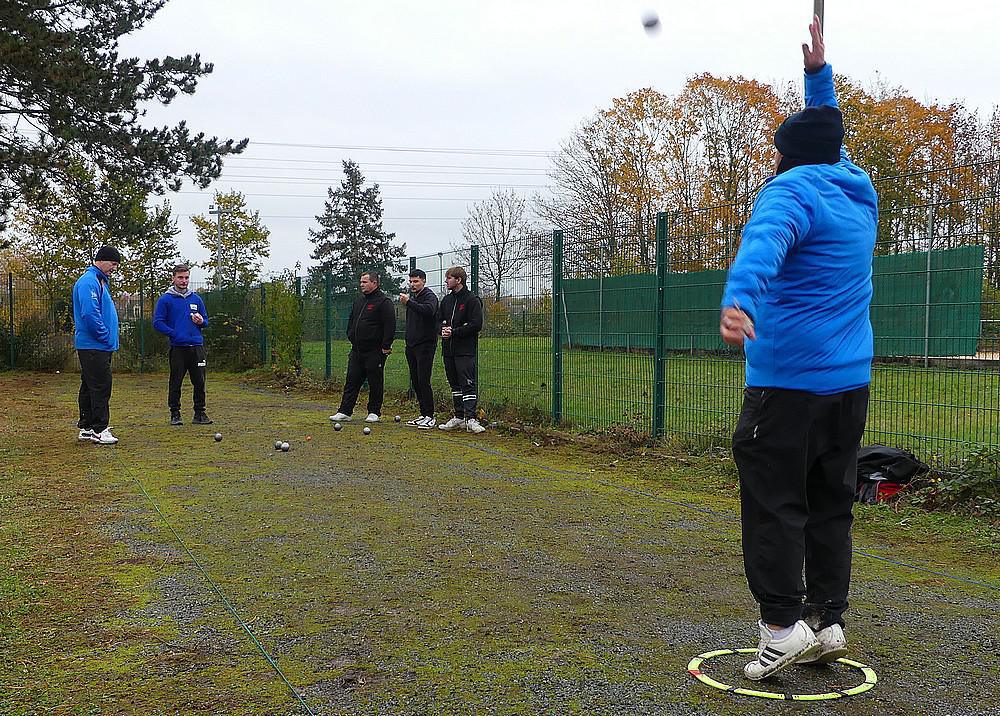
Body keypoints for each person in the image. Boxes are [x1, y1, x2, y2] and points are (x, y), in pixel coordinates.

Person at [719, 16, 878, 681]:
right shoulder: (856, 189)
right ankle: (827, 620)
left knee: (774, 505)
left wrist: (740, 299)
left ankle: (781, 629)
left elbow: (765, 243)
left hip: (786, 387)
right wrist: (818, 77)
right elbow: (828, 131)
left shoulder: (788, 192)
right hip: (848, 387)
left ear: (786, 157)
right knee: (829, 504)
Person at [329, 271, 396, 423]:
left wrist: (386, 345)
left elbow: (390, 325)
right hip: (357, 350)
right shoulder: (359, 301)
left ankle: (374, 412)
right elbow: (352, 321)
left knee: (375, 382)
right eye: (361, 282)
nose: (361, 285)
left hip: (375, 351)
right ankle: (345, 411)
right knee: (351, 381)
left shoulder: (384, 302)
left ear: (375, 283)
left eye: (365, 282)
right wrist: (351, 335)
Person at [73, 246, 122, 445]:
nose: (114, 268)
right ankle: (100, 429)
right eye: (113, 263)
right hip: (95, 345)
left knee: (89, 385)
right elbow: (90, 313)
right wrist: (105, 336)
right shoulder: (89, 282)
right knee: (101, 386)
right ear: (101, 260)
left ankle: (86, 427)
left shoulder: (98, 281)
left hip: (96, 345)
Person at [152, 264, 212, 426]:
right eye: (180, 277)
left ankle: (200, 413)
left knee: (199, 381)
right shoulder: (166, 299)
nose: (184, 281)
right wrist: (175, 334)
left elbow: (205, 321)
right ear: (173, 278)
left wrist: (201, 321)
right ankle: (175, 414)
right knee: (176, 381)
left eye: (186, 277)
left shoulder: (196, 299)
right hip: (178, 348)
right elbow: (158, 322)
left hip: (196, 347)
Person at [437, 266, 485, 433]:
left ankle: (471, 419)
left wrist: (455, 332)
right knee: (455, 385)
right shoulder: (446, 301)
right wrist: (441, 330)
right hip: (448, 351)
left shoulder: (472, 300)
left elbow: (476, 324)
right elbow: (438, 321)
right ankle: (458, 417)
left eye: (449, 278)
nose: (446, 281)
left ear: (459, 280)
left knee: (467, 384)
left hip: (465, 350)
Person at [399, 268, 440, 429]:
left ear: (423, 281)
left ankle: (430, 415)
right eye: (410, 281)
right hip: (412, 345)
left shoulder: (429, 296)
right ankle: (423, 413)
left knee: (424, 380)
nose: (413, 284)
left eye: (416, 281)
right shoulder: (414, 298)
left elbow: (429, 311)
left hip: (425, 345)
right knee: (416, 380)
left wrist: (409, 302)